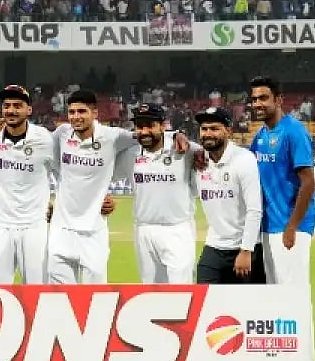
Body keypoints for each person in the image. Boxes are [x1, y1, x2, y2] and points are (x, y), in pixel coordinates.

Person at [47, 90, 185, 284]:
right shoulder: (61, 134)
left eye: (81, 111)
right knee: (58, 295)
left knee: (94, 296)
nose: (76, 117)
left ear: (95, 113)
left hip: (93, 231)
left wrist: (176, 135)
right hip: (60, 230)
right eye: (72, 112)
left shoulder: (113, 137)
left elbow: (145, 135)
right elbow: (41, 158)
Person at [249, 76, 315, 361]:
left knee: (296, 296)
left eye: (264, 98)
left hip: (291, 229)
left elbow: (308, 182)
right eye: (254, 99)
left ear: (279, 99)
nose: (258, 104)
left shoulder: (294, 132)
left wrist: (292, 227)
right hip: (268, 228)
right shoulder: (261, 136)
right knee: (279, 298)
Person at [0, 85, 55, 284]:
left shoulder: (45, 139)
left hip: (34, 225)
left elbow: (66, 172)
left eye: (18, 105)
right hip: (0, 224)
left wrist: (56, 202)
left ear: (29, 110)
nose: (11, 110)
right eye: (7, 106)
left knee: (37, 288)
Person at [126, 103, 202, 284]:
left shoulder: (184, 149)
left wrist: (177, 135)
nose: (144, 131)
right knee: (150, 291)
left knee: (181, 290)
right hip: (143, 229)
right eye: (139, 126)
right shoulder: (129, 154)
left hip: (177, 229)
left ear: (163, 125)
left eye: (150, 125)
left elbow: (208, 152)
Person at [191, 108, 265, 284]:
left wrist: (246, 250)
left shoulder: (244, 160)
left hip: (245, 248)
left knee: (247, 308)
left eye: (214, 129)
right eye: (204, 129)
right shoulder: (199, 160)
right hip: (214, 246)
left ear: (228, 131)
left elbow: (254, 210)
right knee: (206, 304)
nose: (208, 134)